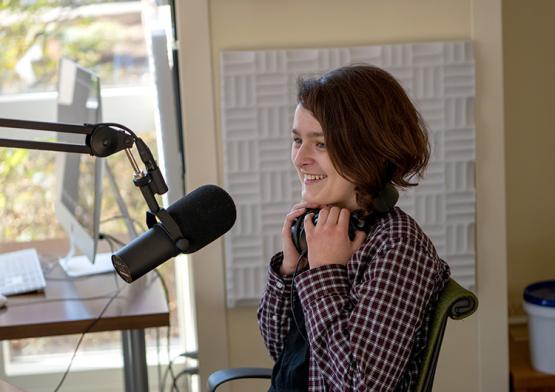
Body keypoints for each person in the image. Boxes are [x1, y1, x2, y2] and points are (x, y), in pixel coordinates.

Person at [257, 64, 451, 391]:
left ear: (367, 150)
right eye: (297, 140)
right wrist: (290, 270)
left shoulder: (398, 248)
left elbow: (359, 386)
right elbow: (281, 351)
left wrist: (326, 272)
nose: (300, 158)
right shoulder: (319, 229)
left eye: (320, 144)